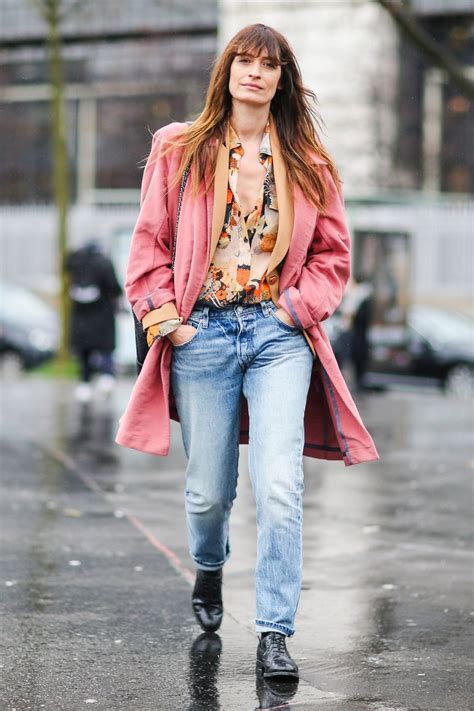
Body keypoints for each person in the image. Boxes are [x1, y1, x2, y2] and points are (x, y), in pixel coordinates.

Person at [116, 24, 379, 678]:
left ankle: (274, 632)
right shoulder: (180, 149)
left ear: (282, 78)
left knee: (281, 485)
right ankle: (209, 569)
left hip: (277, 336)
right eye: (244, 60)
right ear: (227, 71)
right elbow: (149, 247)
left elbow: (332, 257)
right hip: (202, 333)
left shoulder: (311, 163)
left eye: (269, 64)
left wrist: (297, 309)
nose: (255, 73)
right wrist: (168, 321)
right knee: (208, 494)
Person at [66, 240, 122, 402]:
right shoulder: (104, 263)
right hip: (102, 314)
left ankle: (84, 383)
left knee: (84, 351)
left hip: (80, 316)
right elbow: (114, 287)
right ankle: (107, 377)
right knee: (105, 347)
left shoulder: (75, 262)